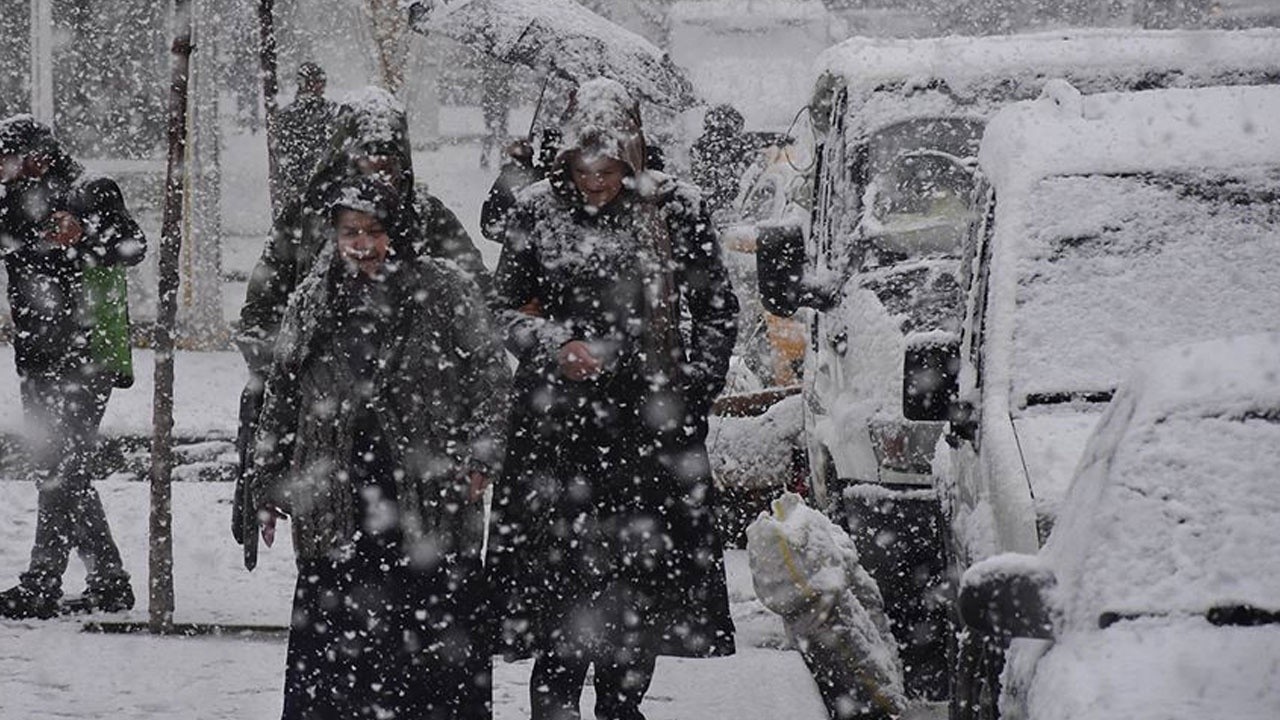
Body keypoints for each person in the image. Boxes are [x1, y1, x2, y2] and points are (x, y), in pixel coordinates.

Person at [488, 78, 740, 720]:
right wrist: (554, 343)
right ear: (565, 159)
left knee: (641, 583)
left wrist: (691, 391)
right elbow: (501, 308)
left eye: (607, 169)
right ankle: (556, 705)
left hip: (650, 429)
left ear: (631, 156)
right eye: (582, 167)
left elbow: (716, 308)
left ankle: (621, 705)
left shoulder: (675, 207)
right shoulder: (537, 210)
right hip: (556, 429)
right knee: (559, 578)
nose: (594, 182)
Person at [249, 175, 509, 719]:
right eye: (350, 231)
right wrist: (270, 483)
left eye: (373, 231)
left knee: (432, 641)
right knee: (338, 648)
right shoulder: (313, 298)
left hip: (428, 491)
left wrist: (483, 452)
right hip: (337, 493)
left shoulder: (444, 289)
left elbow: (490, 372)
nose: (361, 244)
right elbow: (281, 391)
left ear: (400, 231)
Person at [234, 87, 489, 557]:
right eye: (367, 161)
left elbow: (481, 315)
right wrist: (308, 371)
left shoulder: (429, 219)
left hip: (418, 443)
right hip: (330, 446)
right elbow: (259, 317)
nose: (379, 175)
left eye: (389, 164)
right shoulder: (307, 219)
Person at [0, 115, 145, 619]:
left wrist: (82, 236)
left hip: (88, 358)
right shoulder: (11, 200)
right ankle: (109, 581)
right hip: (37, 358)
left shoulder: (91, 191)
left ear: (36, 154)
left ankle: (43, 581)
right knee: (59, 469)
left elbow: (133, 248)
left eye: (8, 158)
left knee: (62, 469)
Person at [273, 61, 336, 208]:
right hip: (309, 184)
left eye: (322, 82)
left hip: (318, 184)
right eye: (316, 81)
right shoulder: (289, 115)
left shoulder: (331, 111)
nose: (321, 86)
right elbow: (286, 154)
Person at [689, 103, 755, 217]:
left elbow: (697, 174)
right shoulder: (732, 144)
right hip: (719, 200)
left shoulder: (699, 145)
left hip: (705, 201)